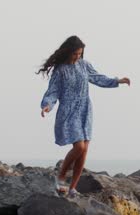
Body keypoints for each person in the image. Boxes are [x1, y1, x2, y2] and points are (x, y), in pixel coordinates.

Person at [38, 35, 130, 197]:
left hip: (85, 110)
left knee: (84, 150)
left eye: (80, 54)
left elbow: (98, 78)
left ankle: (72, 188)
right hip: (69, 111)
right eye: (75, 54)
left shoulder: (84, 65)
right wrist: (47, 105)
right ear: (68, 52)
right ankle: (60, 176)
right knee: (79, 147)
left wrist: (118, 81)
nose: (78, 56)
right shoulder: (60, 70)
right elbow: (53, 92)